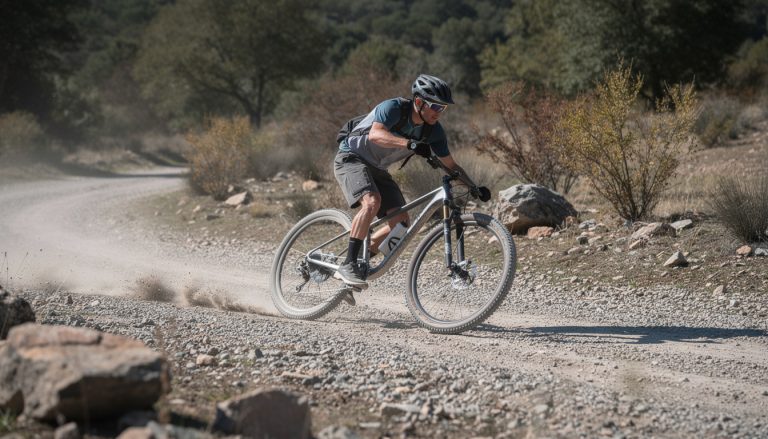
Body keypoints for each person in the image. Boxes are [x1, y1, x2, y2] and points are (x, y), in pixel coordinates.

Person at [333, 74, 490, 289]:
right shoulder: (394, 108)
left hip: (377, 168)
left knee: (401, 222)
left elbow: (451, 166)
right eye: (435, 106)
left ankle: (362, 257)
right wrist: (410, 144)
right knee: (371, 202)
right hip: (351, 157)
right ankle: (348, 264)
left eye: (443, 108)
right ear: (418, 102)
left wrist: (474, 187)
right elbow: (376, 135)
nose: (438, 112)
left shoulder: (434, 131)